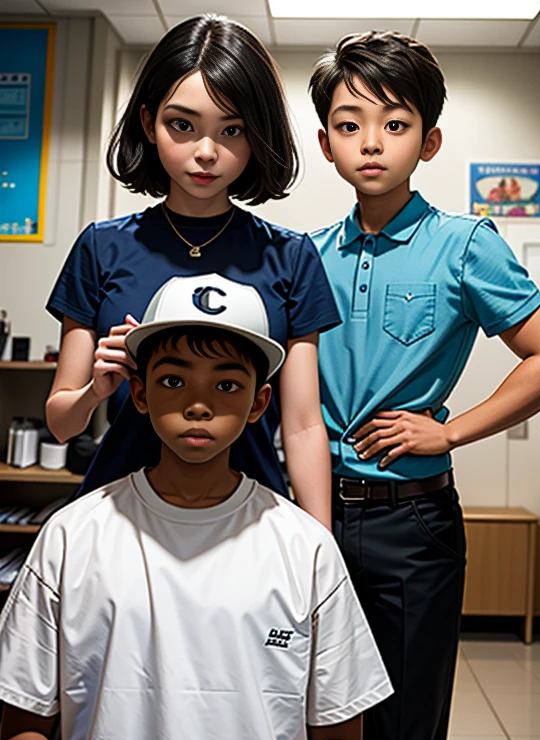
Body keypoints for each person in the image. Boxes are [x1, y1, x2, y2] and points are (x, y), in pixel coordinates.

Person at [308, 30, 540, 740]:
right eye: (349, 124)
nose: (371, 143)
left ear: (428, 141)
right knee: (317, 725)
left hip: (411, 526)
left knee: (403, 733)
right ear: (325, 143)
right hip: (311, 516)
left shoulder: (465, 243)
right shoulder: (306, 255)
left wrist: (448, 433)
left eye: (395, 125)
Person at [0, 274, 392, 740]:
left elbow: (340, 736)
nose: (199, 404)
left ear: (259, 403)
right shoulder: (72, 534)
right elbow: (21, 726)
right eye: (172, 380)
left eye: (227, 384)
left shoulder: (305, 547)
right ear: (139, 394)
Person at [45, 14, 340, 528]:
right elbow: (62, 423)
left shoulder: (291, 257)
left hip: (251, 517)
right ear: (147, 122)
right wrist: (97, 387)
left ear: (257, 136)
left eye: (232, 130)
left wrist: (318, 549)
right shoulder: (101, 247)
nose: (206, 153)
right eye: (182, 125)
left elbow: (301, 424)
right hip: (119, 516)